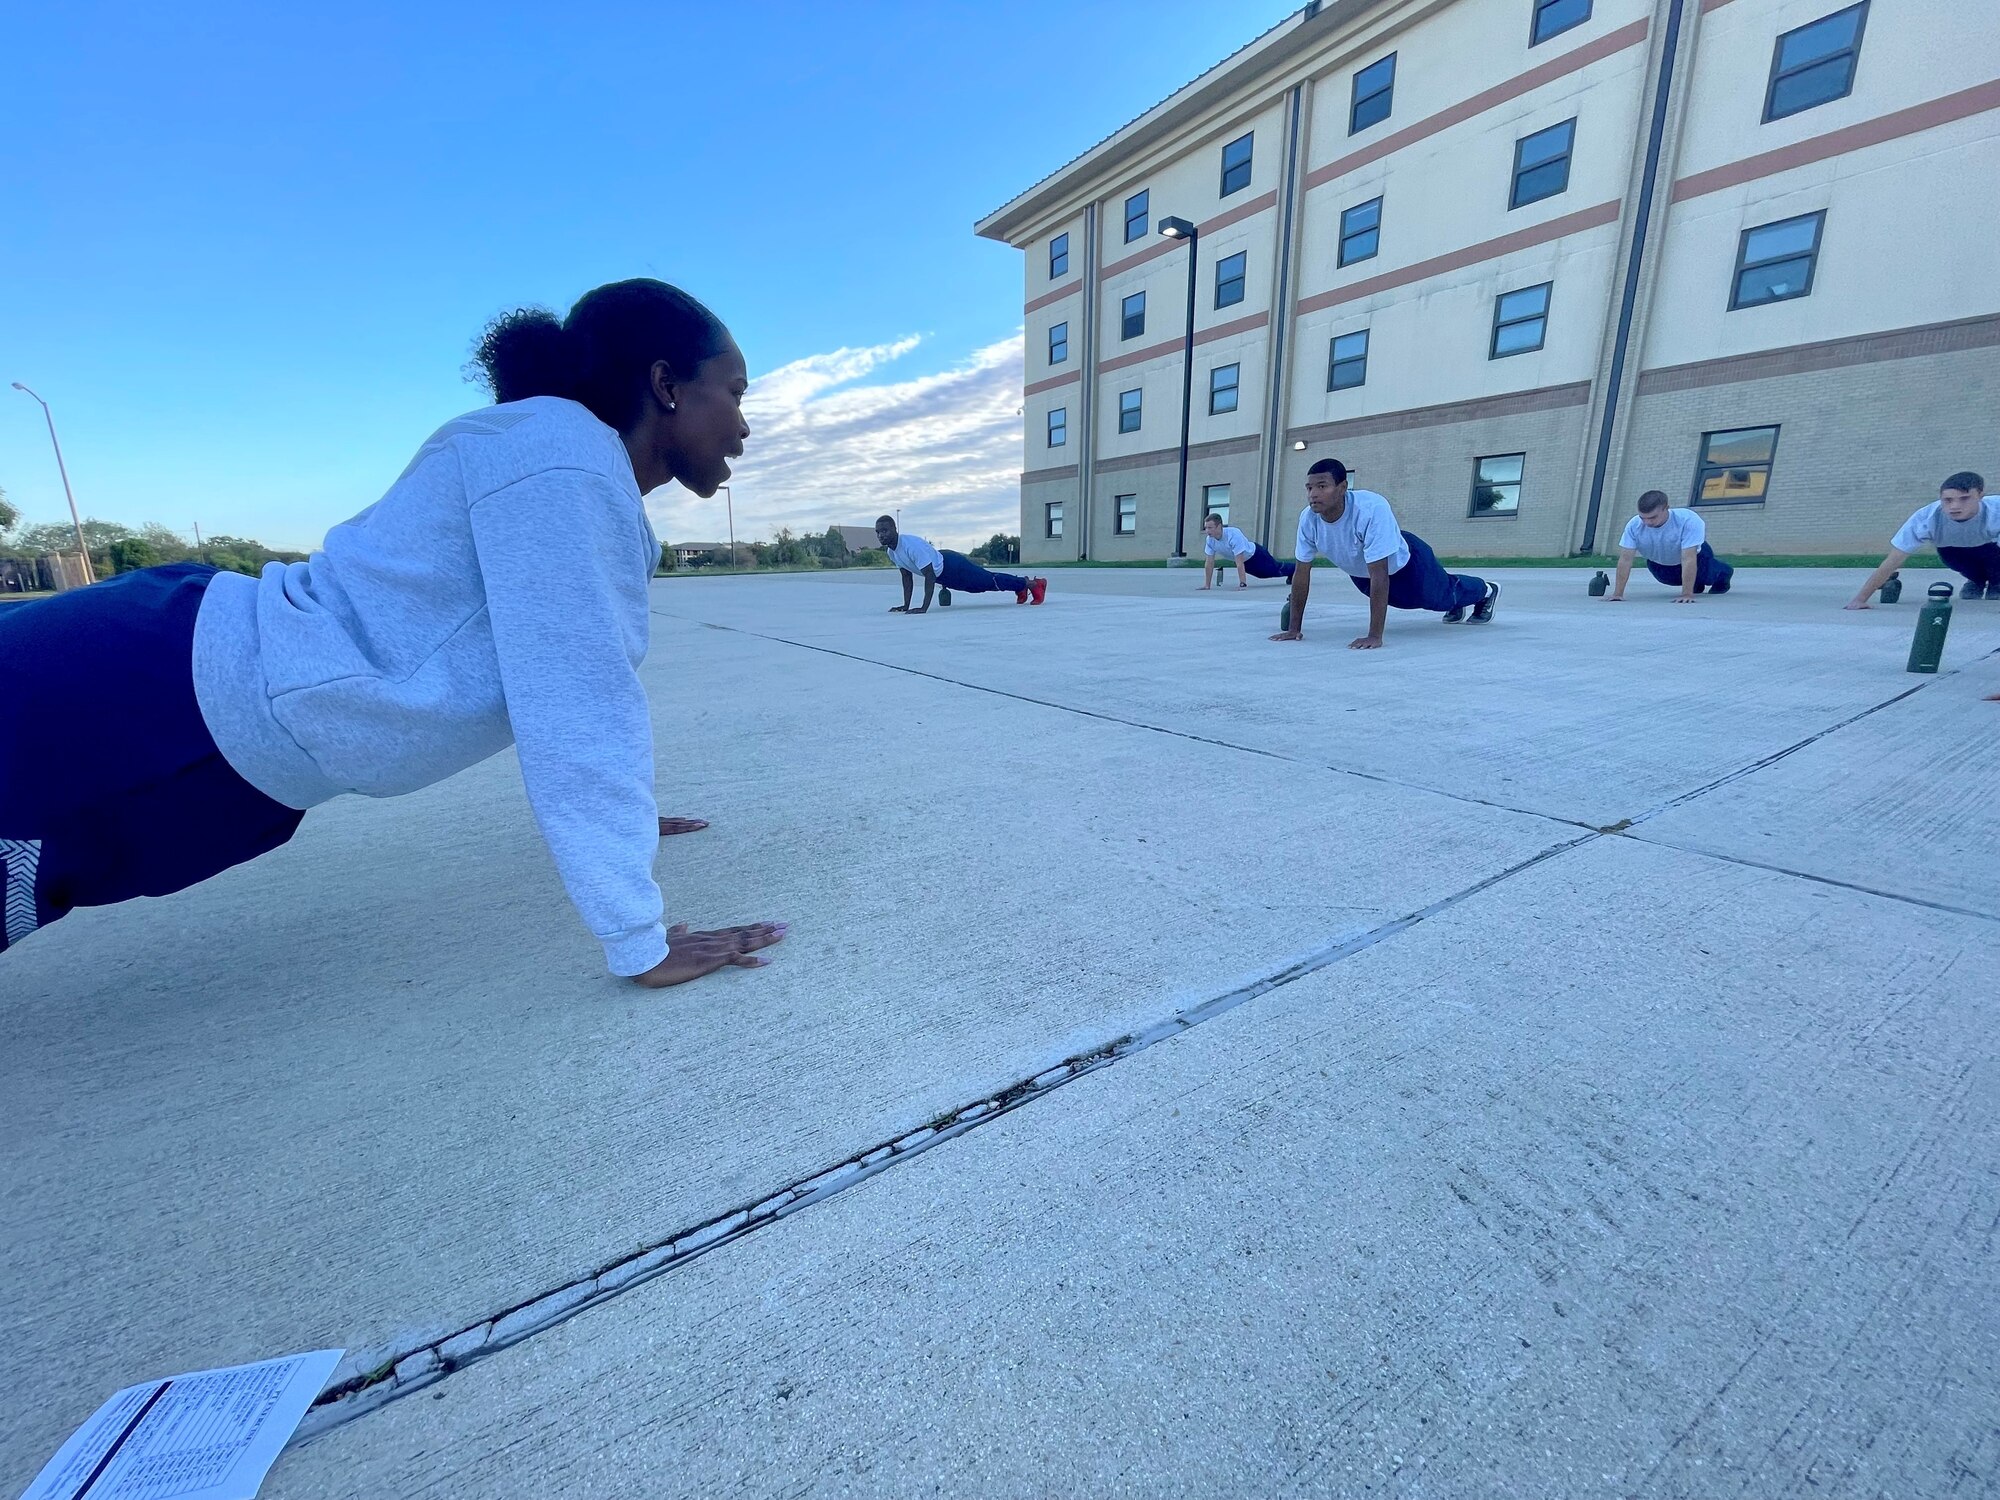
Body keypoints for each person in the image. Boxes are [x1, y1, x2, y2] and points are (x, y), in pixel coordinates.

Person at [0, 279, 785, 987]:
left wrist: (620, 811)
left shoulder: (570, 469)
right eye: (735, 392)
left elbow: (556, 676)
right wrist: (638, 939)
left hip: (219, 743)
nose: (744, 426)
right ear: (665, 384)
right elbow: (575, 698)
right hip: (157, 702)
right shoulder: (561, 457)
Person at [1270, 459, 1497, 648]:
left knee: (1438, 598)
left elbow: (1380, 572)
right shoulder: (1308, 519)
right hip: (1363, 575)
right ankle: (1455, 599)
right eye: (1309, 488)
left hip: (1408, 563)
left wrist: (1375, 636)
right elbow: (1302, 573)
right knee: (1419, 599)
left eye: (1322, 486)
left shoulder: (1370, 508)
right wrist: (1293, 629)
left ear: (1342, 488)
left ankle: (1487, 590)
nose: (1313, 494)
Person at [1847, 471, 1998, 607]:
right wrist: (1860, 599)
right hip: (1952, 550)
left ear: (1980, 496)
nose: (1955, 506)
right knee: (1963, 565)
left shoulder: (1996, 510)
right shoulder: (1926, 517)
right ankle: (1976, 581)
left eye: (1964, 499)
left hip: (1991, 549)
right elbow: (1894, 559)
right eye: (1948, 500)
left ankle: (1997, 583)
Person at [874, 516, 1045, 612]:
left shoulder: (911, 546)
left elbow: (929, 575)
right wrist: (906, 606)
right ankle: (1020, 585)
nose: (881, 535)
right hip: (945, 574)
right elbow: (907, 578)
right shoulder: (892, 552)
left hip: (952, 565)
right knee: (976, 588)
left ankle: (1034, 584)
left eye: (885, 530)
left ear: (895, 530)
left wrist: (923, 608)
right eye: (878, 532)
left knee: (988, 581)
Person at [1604, 490, 1734, 603]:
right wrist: (1618, 594)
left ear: (1666, 508)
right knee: (1666, 579)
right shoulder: (1634, 525)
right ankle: (1695, 583)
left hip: (1697, 556)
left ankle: (1724, 572)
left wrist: (1686, 594)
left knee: (1707, 576)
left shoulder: (1687, 519)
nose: (1647, 522)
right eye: (1643, 517)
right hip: (1660, 562)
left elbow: (1688, 558)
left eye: (1652, 517)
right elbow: (1625, 560)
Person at [1199, 514, 1294, 590]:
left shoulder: (1233, 535)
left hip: (1257, 555)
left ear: (1219, 526)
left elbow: (1239, 561)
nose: (1207, 531)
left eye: (1210, 528)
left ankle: (1295, 569)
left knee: (1275, 570)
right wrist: (1207, 585)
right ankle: (1292, 572)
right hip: (1246, 562)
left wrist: (1242, 584)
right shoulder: (1210, 540)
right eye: (1206, 528)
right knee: (1262, 575)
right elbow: (1209, 562)